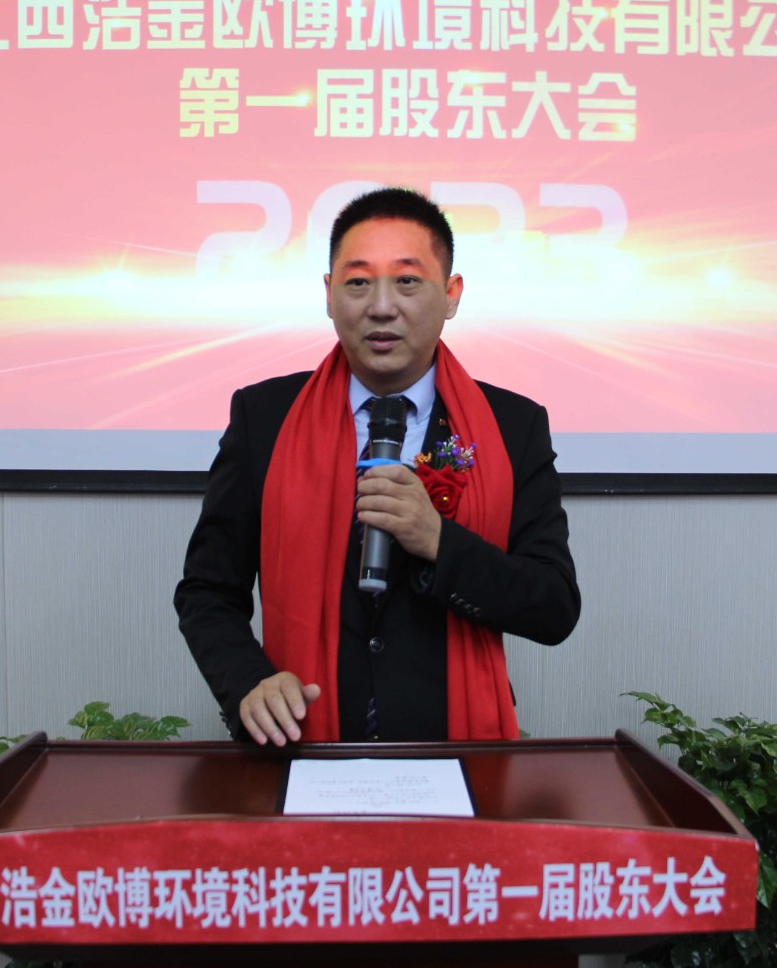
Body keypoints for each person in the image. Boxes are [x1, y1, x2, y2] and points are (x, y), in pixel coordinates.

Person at [174, 187, 579, 745]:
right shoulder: (264, 417)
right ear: (329, 294)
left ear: (451, 295)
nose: (382, 306)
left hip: (456, 748)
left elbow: (554, 607)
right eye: (358, 282)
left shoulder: (513, 426)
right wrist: (248, 682)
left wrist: (438, 541)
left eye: (407, 281)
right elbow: (207, 591)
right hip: (302, 743)